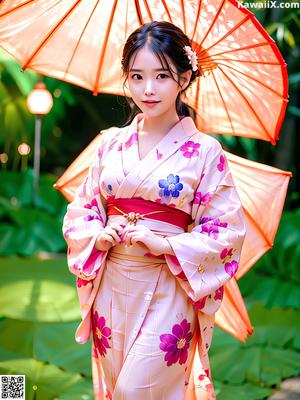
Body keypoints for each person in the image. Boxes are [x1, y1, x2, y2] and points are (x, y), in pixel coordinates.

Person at [62, 21, 246, 400]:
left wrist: (167, 245)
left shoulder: (206, 151)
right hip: (111, 284)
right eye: (137, 75)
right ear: (126, 79)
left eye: (162, 75)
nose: (148, 88)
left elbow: (226, 231)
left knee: (135, 391)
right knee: (116, 388)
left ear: (184, 77)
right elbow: (82, 209)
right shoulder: (110, 144)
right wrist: (97, 236)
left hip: (168, 285)